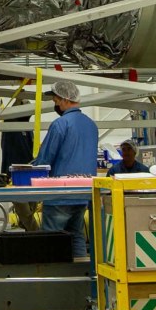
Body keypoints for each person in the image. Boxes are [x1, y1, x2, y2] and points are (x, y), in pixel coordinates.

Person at [37, 80, 101, 258]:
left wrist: (27, 172)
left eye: (56, 101)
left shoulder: (60, 124)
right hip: (83, 194)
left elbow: (45, 159)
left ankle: (51, 279)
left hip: (59, 195)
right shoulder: (91, 125)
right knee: (77, 236)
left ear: (65, 99)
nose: (55, 104)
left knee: (50, 239)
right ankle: (81, 275)